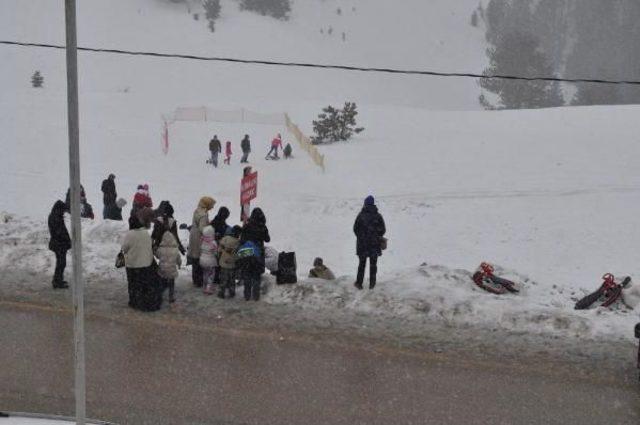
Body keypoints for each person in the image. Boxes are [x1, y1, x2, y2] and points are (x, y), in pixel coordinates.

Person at [122, 207, 161, 311]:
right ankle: (144, 301)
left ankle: (133, 302)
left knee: (133, 285)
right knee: (142, 284)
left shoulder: (129, 234)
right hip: (145, 265)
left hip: (132, 265)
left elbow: (124, 249)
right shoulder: (145, 233)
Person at [353, 195, 386, 290]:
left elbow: (355, 229)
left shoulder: (360, 215)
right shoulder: (378, 216)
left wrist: (361, 237)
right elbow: (383, 230)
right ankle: (372, 284)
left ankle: (359, 283)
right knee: (373, 265)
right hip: (374, 245)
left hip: (362, 245)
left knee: (362, 265)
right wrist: (375, 235)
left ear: (365, 204)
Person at [240, 208, 270, 301]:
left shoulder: (247, 226)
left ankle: (247, 295)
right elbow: (267, 239)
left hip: (247, 252)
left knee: (247, 274)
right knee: (256, 275)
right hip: (258, 253)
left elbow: (242, 240)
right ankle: (256, 296)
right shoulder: (262, 227)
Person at [187, 196, 216, 287]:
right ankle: (198, 281)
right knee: (198, 258)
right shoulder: (204, 214)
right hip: (199, 238)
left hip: (193, 235)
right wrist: (210, 226)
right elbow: (202, 229)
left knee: (195, 258)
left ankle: (195, 279)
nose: (212, 207)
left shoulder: (197, 210)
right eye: (211, 205)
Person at [48, 200, 71, 289]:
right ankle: (57, 281)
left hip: (58, 243)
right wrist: (66, 240)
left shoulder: (55, 216)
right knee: (61, 263)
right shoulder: (55, 217)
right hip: (59, 244)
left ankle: (58, 279)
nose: (64, 212)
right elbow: (60, 232)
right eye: (63, 210)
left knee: (61, 263)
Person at [156, 231, 182, 303]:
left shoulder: (160, 249)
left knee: (161, 282)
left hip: (162, 269)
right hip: (171, 270)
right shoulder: (175, 249)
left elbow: (157, 256)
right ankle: (171, 297)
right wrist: (179, 265)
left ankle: (160, 295)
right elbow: (178, 259)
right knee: (171, 284)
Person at [218, 225, 241, 299]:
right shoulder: (238, 242)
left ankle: (221, 292)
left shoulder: (225, 239)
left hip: (224, 263)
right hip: (232, 264)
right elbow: (239, 254)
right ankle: (232, 292)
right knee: (232, 280)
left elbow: (219, 249)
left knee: (223, 279)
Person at [210, 206, 230, 284]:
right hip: (217, 245)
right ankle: (216, 278)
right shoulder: (220, 223)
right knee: (218, 262)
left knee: (216, 262)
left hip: (214, 244)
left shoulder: (215, 221)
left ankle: (215, 277)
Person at [200, 225, 218, 295]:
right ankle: (208, 288)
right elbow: (215, 253)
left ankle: (204, 287)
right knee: (211, 275)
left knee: (205, 274)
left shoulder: (202, 240)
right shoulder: (213, 243)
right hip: (210, 261)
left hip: (202, 260)